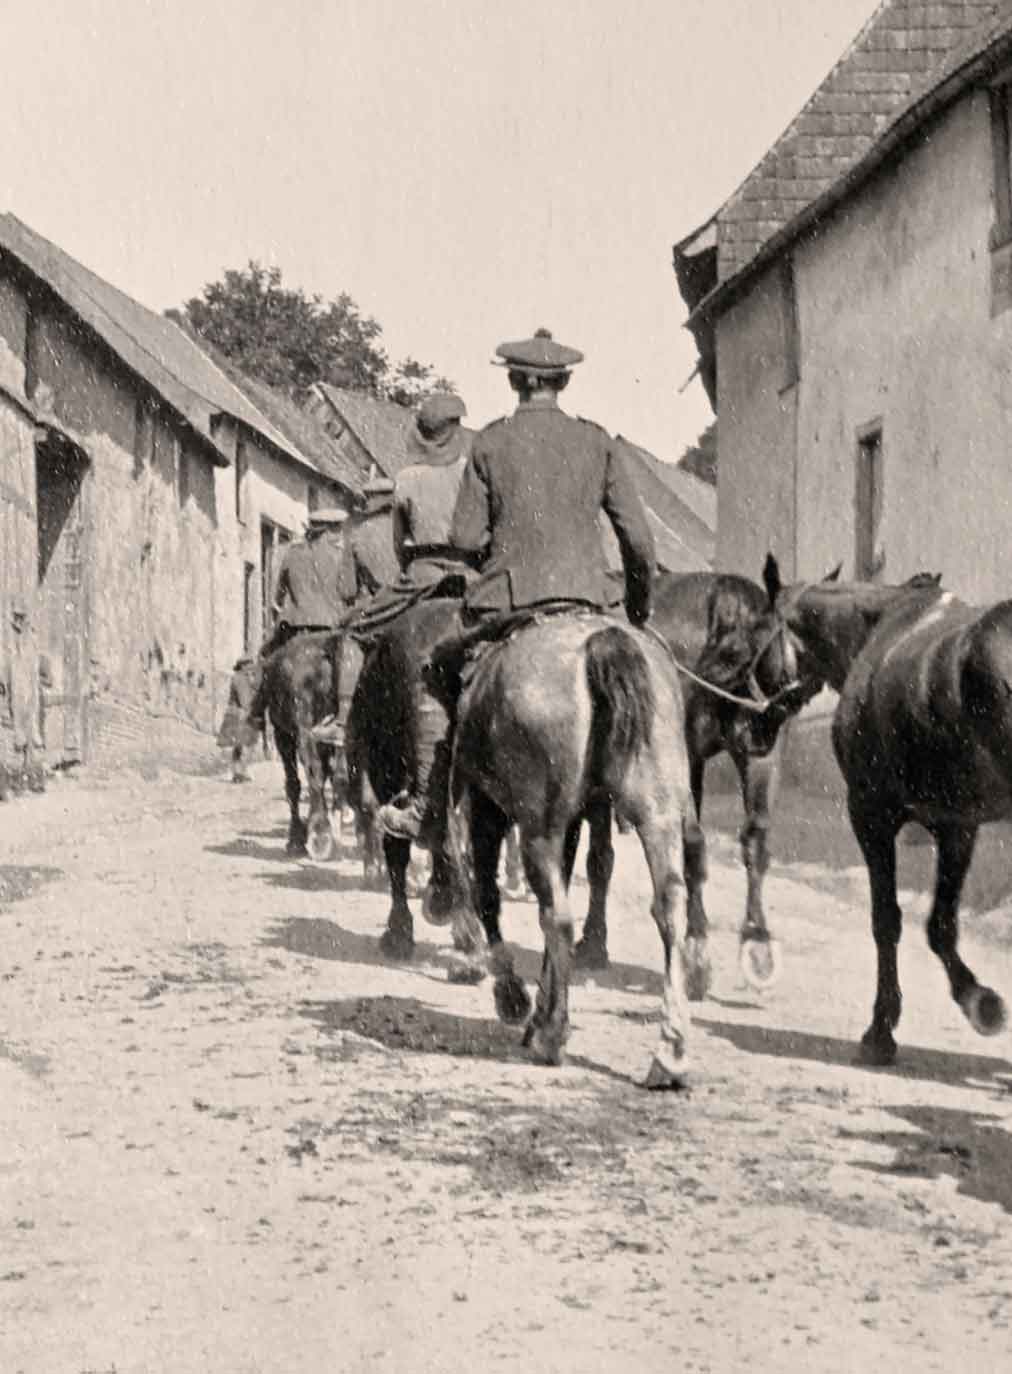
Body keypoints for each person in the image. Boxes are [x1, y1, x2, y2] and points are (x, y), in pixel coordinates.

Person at [376, 328, 657, 842]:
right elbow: (637, 539)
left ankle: (428, 807)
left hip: (506, 603)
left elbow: (464, 536)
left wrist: (503, 553)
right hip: (589, 601)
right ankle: (646, 792)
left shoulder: (490, 442)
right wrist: (636, 607)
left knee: (436, 674)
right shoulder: (598, 441)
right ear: (564, 381)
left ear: (513, 382)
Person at [310, 393, 477, 748]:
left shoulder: (408, 478)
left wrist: (410, 574)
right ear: (457, 431)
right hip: (471, 573)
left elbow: (401, 544)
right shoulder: (472, 472)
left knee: (356, 632)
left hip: (423, 571)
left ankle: (342, 719)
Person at [239, 506, 357, 746]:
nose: (339, 536)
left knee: (265, 664)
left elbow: (277, 597)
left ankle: (251, 723)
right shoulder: (340, 557)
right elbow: (349, 593)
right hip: (332, 630)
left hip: (295, 629)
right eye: (337, 530)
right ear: (329, 532)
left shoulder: (291, 555)